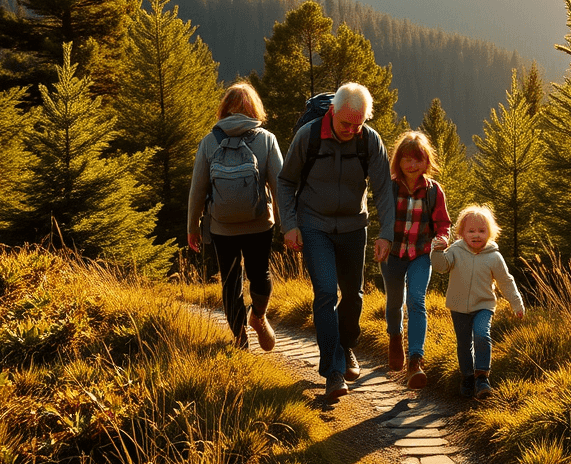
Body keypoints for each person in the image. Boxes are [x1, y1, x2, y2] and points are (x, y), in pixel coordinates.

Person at [277, 82, 396, 400]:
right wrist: (289, 225)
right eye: (346, 123)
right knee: (326, 293)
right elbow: (286, 181)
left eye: (358, 124)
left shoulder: (369, 141)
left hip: (354, 227)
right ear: (332, 112)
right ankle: (333, 370)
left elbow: (384, 188)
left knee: (353, 296)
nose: (351, 130)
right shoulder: (309, 136)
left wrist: (387, 233)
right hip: (314, 226)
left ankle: (346, 346)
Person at [187, 81, 282, 352]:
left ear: (224, 110)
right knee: (260, 273)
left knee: (230, 281)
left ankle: (240, 338)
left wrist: (193, 227)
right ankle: (258, 316)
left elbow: (198, 189)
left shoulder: (209, 142)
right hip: (259, 223)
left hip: (221, 226)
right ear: (254, 109)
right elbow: (280, 186)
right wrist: (290, 226)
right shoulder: (266, 139)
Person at [376, 130, 452, 388]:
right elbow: (382, 216)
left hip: (421, 253)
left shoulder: (433, 191)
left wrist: (442, 238)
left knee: (417, 301)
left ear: (426, 161)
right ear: (398, 162)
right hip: (393, 253)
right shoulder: (390, 186)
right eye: (406, 159)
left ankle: (415, 361)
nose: (412, 165)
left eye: (417, 159)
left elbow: (443, 223)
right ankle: (395, 337)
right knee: (395, 301)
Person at [430, 205, 524, 399]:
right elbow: (441, 267)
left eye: (482, 231)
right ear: (461, 233)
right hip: (458, 306)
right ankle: (467, 376)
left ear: (490, 233)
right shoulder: (455, 250)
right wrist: (437, 251)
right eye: (471, 231)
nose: (476, 235)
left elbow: (506, 281)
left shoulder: (494, 256)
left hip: (484, 305)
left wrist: (517, 304)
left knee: (482, 335)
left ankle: (482, 377)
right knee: (464, 344)